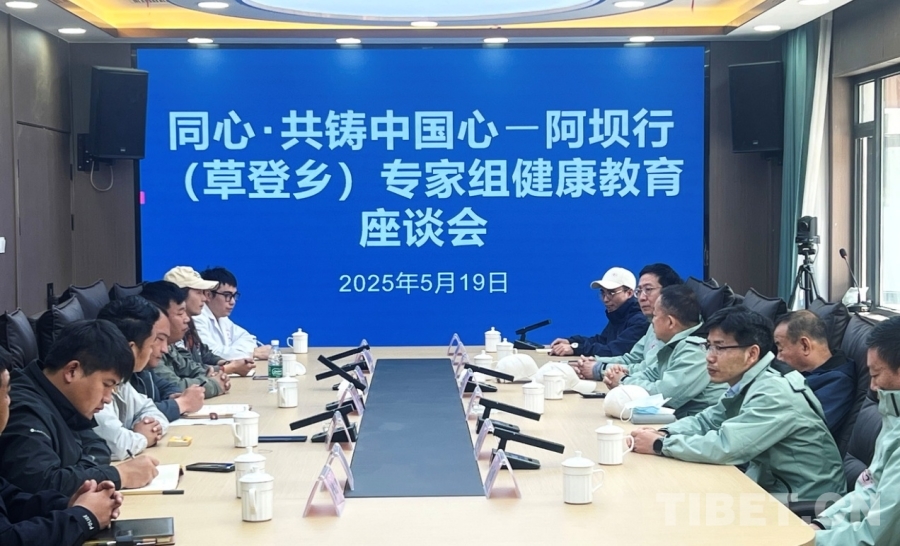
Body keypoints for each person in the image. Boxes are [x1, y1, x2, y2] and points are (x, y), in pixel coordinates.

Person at [630, 306, 845, 503]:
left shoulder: (774, 392)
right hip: (769, 486)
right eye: (709, 346)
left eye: (720, 348)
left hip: (807, 502)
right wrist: (665, 432)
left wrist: (660, 445)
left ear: (752, 354)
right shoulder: (751, 380)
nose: (709, 357)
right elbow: (708, 420)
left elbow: (726, 446)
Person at [0, 321, 159, 496]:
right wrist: (120, 475)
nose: (108, 399)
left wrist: (79, 473)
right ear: (72, 371)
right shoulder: (22, 410)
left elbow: (99, 448)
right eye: (107, 384)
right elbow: (41, 483)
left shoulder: (66, 403)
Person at [0, 349, 123, 545]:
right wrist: (83, 517)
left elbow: (11, 502)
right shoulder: (25, 407)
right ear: (71, 370)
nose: (10, 401)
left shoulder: (63, 400)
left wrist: (70, 504)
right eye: (6, 392)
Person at [813, 316, 900, 544]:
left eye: (876, 374)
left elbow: (876, 537)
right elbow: (871, 489)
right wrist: (822, 524)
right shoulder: (894, 418)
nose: (872, 386)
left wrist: (812, 541)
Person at [602, 285, 725, 418]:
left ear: (670, 322)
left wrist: (623, 380)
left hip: (698, 425)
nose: (652, 322)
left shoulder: (695, 351)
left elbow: (664, 396)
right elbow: (650, 374)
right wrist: (621, 376)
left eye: (655, 316)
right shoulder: (674, 345)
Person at [572, 263, 682, 380]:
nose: (642, 297)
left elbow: (650, 372)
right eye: (639, 291)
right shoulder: (651, 322)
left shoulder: (646, 322)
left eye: (648, 290)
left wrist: (600, 369)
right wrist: (595, 360)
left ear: (669, 291)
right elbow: (631, 358)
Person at [93, 297, 170, 460]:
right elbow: (118, 446)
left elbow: (149, 408)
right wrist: (142, 437)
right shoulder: (94, 382)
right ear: (131, 349)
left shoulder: (121, 378)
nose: (152, 351)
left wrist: (149, 428)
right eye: (151, 345)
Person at [140, 281, 230, 398]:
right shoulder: (150, 351)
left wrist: (213, 373)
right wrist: (214, 384)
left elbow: (189, 367)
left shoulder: (171, 345)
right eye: (180, 313)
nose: (187, 319)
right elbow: (176, 387)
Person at [774, 310, 856, 437]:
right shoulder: (801, 372)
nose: (778, 357)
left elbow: (808, 431)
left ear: (805, 345)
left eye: (780, 349)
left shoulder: (837, 383)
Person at [163, 266, 255, 377]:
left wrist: (225, 363)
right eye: (198, 292)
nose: (205, 298)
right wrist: (228, 368)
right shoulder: (169, 327)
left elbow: (205, 354)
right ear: (179, 296)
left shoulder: (190, 321)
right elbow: (185, 369)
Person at [128, 304, 205, 423]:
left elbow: (167, 387)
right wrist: (181, 403)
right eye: (158, 339)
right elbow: (136, 416)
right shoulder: (118, 381)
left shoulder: (144, 370)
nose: (165, 349)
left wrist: (173, 397)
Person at [550, 267, 647, 358]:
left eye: (611, 293)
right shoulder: (618, 314)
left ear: (629, 293)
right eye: (603, 293)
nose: (605, 299)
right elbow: (602, 341)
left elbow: (614, 350)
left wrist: (576, 348)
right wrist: (571, 341)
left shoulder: (640, 320)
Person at [194, 266, 271, 361]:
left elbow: (248, 339)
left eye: (234, 296)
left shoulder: (222, 318)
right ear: (208, 295)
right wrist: (252, 353)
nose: (233, 302)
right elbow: (208, 353)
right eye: (227, 295)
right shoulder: (197, 316)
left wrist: (235, 352)